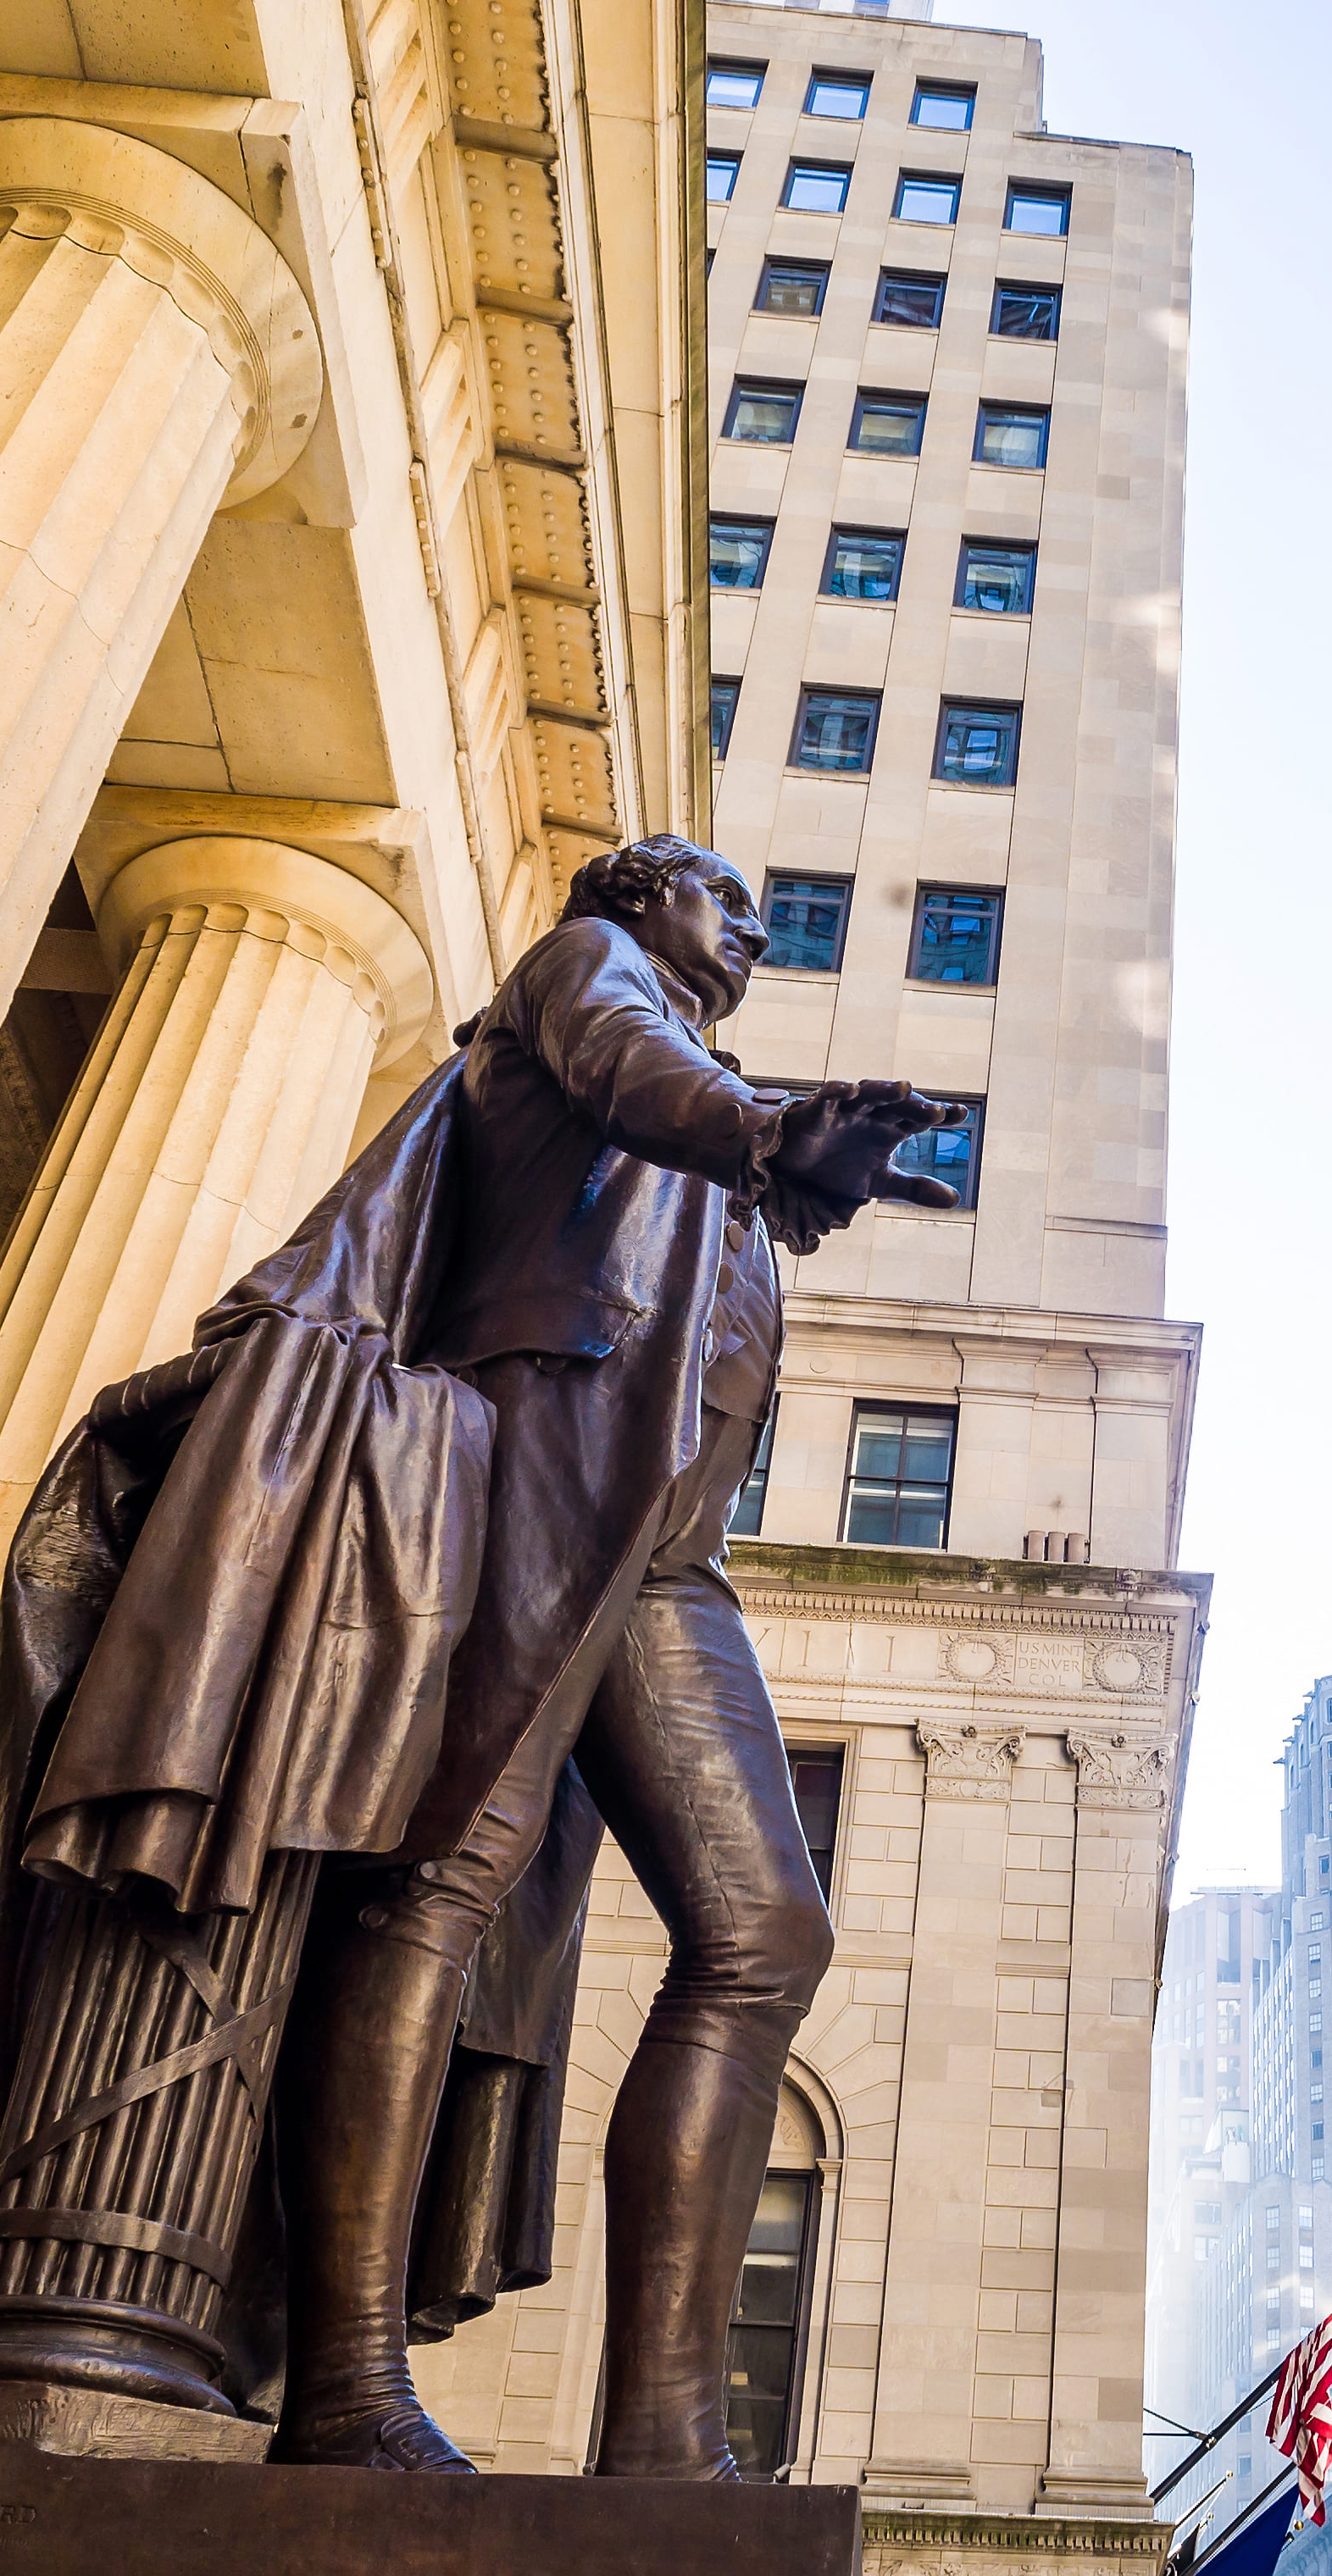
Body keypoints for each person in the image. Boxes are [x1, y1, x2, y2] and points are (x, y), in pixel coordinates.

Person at [262, 837, 959, 2473]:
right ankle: (345, 2394)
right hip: (549, 1451)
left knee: (764, 1932)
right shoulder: (591, 970)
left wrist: (804, 1164)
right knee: (445, 1874)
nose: (756, 928)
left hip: (668, 1545)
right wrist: (774, 1131)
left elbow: (707, 1154)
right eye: (728, 898)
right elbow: (637, 1079)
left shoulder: (695, 1079)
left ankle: (664, 2448)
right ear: (639, 891)